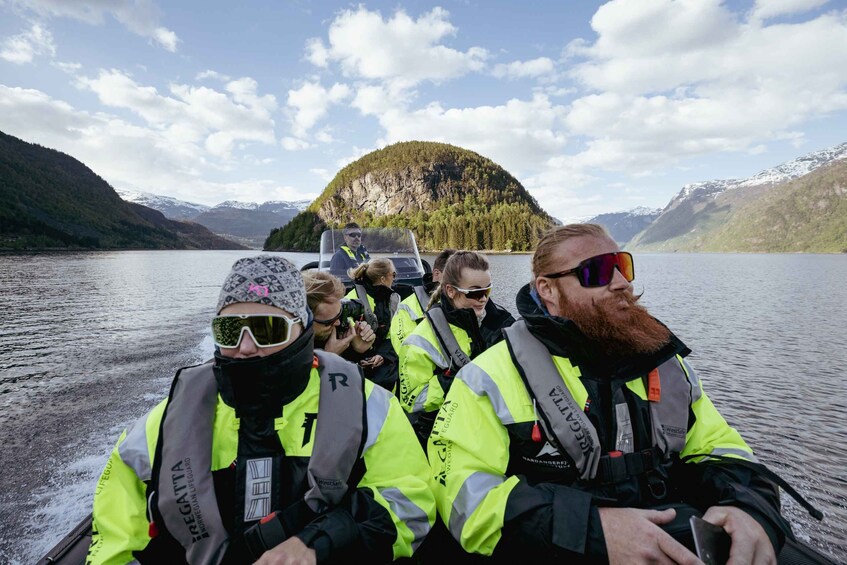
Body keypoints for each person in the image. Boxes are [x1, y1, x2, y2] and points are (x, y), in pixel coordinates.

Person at [427, 224, 794, 564]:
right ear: (547, 289)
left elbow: (719, 447)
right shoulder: (488, 376)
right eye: (597, 272)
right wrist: (593, 531)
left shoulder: (668, 365)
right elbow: (464, 496)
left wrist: (751, 508)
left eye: (623, 266)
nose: (621, 283)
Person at [87, 255, 435, 564]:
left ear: (302, 328)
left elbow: (410, 500)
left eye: (267, 329)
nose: (246, 347)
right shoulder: (164, 425)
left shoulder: (370, 407)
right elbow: (113, 539)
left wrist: (323, 542)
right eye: (229, 330)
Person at [398, 250, 515, 445]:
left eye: (487, 290)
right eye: (475, 292)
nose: (483, 299)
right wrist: (456, 380)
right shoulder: (419, 341)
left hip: (497, 423)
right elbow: (412, 399)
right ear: (451, 291)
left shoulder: (501, 322)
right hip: (449, 431)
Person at [345, 258, 401, 392]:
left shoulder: (392, 299)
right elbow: (348, 335)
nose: (394, 278)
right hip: (356, 360)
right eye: (393, 275)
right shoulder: (352, 300)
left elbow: (393, 333)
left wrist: (383, 355)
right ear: (383, 279)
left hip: (383, 358)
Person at [389, 248, 456, 356]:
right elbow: (406, 351)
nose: (459, 281)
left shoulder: (471, 299)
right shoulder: (406, 308)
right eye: (454, 275)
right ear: (437, 274)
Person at [303, 269, 377, 362]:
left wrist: (358, 351)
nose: (338, 322)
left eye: (339, 314)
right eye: (329, 322)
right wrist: (328, 357)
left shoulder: (334, 335)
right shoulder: (287, 346)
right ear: (304, 319)